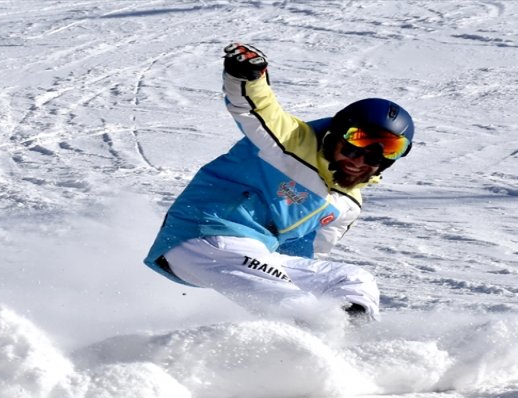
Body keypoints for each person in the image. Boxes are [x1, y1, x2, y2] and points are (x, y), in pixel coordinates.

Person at [144, 42, 415, 327]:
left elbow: (307, 253)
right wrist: (248, 75)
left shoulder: (346, 205)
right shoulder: (291, 142)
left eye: (386, 150)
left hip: (252, 253)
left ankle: (352, 338)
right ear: (337, 135)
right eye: (355, 142)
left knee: (353, 282)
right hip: (203, 236)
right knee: (299, 306)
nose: (361, 159)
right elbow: (255, 107)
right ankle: (301, 351)